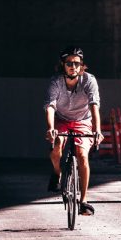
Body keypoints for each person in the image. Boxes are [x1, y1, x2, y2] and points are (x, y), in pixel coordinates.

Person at [44, 46, 102, 215]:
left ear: (82, 65)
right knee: (57, 145)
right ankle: (57, 172)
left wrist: (97, 130)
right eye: (69, 63)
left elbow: (94, 106)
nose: (73, 66)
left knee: (82, 155)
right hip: (62, 119)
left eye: (77, 63)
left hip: (83, 120)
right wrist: (50, 128)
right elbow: (50, 107)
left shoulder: (89, 80)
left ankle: (83, 201)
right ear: (62, 64)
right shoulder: (56, 82)